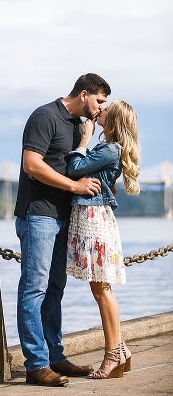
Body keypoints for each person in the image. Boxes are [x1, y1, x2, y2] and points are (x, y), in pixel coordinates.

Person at [14, 73, 111, 387]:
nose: (100, 108)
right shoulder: (44, 116)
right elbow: (32, 163)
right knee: (35, 289)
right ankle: (36, 365)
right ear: (84, 94)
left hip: (64, 217)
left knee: (55, 289)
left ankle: (55, 357)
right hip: (39, 215)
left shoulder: (80, 126)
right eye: (99, 101)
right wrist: (75, 185)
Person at [65, 100, 140, 379]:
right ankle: (120, 350)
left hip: (95, 219)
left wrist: (84, 139)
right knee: (101, 289)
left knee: (101, 290)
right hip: (94, 218)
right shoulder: (110, 149)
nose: (101, 109)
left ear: (115, 120)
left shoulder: (110, 150)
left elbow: (74, 169)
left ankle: (113, 355)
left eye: (106, 108)